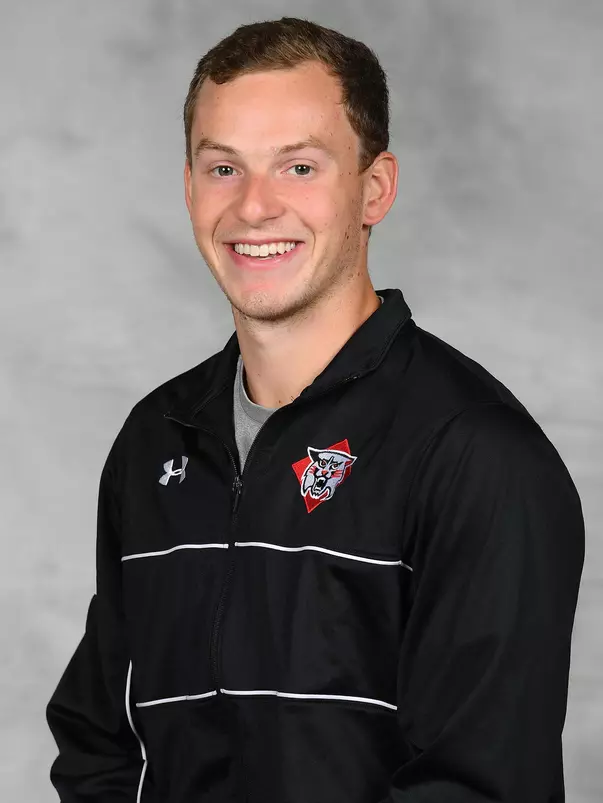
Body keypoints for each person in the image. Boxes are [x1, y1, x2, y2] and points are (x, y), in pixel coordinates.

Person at [46, 16, 585, 803]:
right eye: (222, 167)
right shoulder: (155, 439)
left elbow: (481, 784)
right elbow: (98, 736)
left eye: (298, 166)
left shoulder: (475, 453)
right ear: (189, 185)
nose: (254, 207)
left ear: (374, 189)